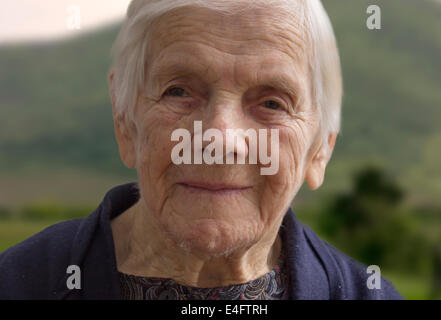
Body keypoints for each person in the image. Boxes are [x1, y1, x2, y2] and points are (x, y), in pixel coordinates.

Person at [0, 0, 403, 299]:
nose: (219, 138)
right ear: (125, 120)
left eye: (271, 103)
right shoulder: (19, 282)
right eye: (179, 91)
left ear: (320, 148)